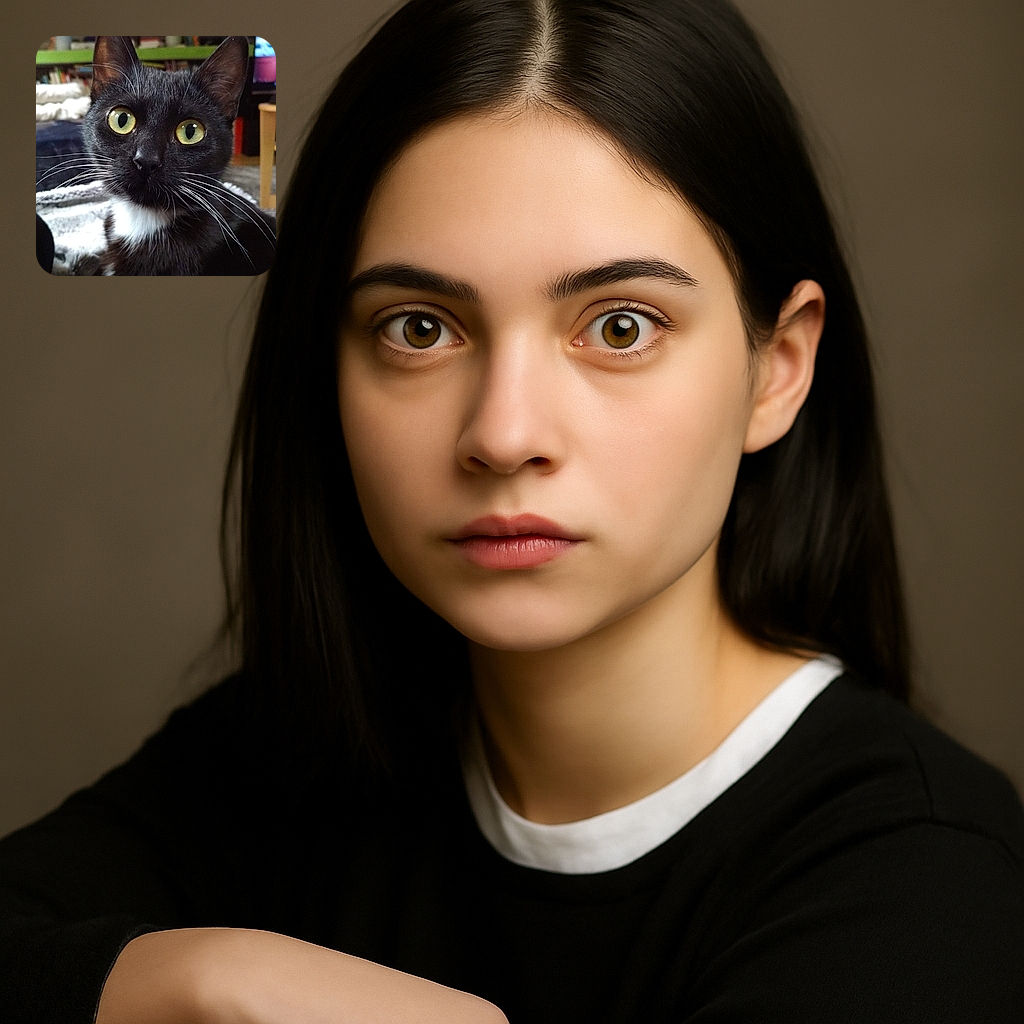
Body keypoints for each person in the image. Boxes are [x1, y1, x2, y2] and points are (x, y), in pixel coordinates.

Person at [3, 0, 1022, 1021]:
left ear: (778, 368)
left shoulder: (925, 877)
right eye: (418, 326)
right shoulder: (288, 759)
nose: (503, 432)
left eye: (619, 326)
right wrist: (211, 982)